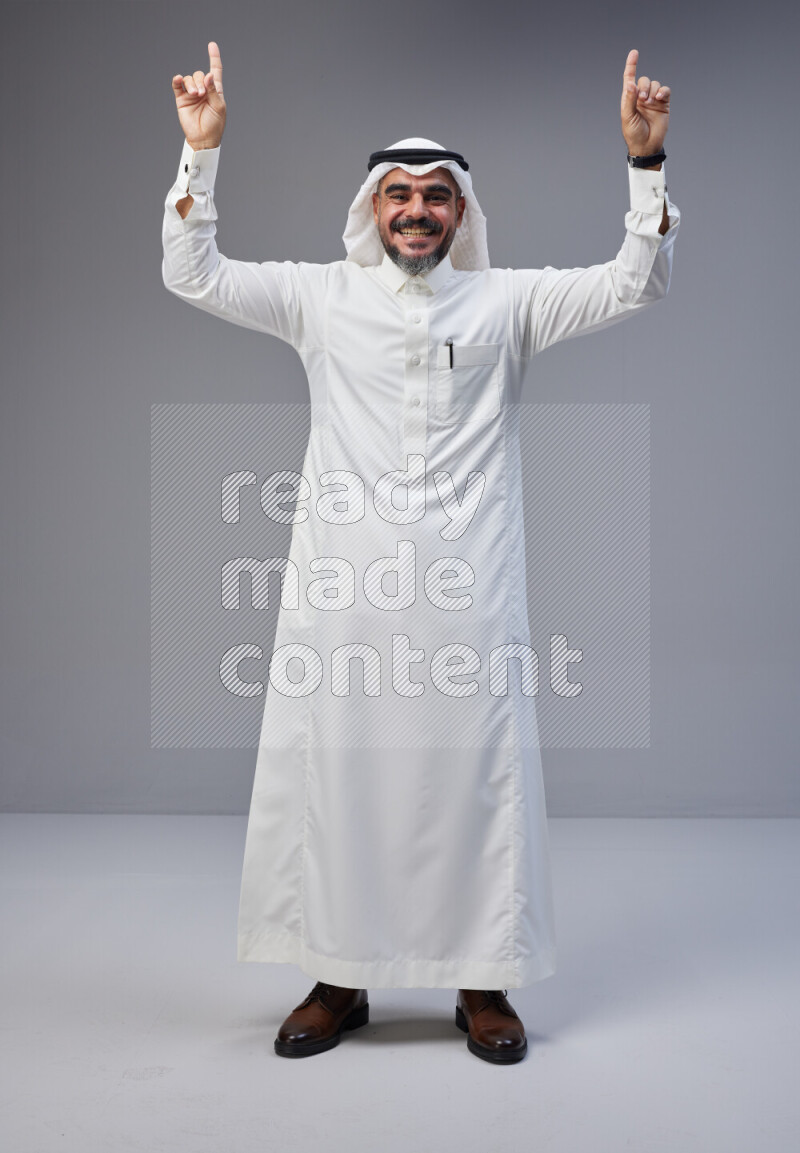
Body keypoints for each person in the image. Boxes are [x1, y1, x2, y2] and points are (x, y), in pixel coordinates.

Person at [162, 42, 679, 1065]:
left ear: (460, 215)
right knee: (342, 778)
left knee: (472, 779)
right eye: (396, 194)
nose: (414, 211)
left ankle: (481, 984)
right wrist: (201, 154)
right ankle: (338, 977)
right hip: (341, 594)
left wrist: (643, 168)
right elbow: (192, 271)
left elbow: (636, 284)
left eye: (435, 197)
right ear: (370, 209)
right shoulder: (320, 299)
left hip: (467, 595)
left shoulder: (507, 304)